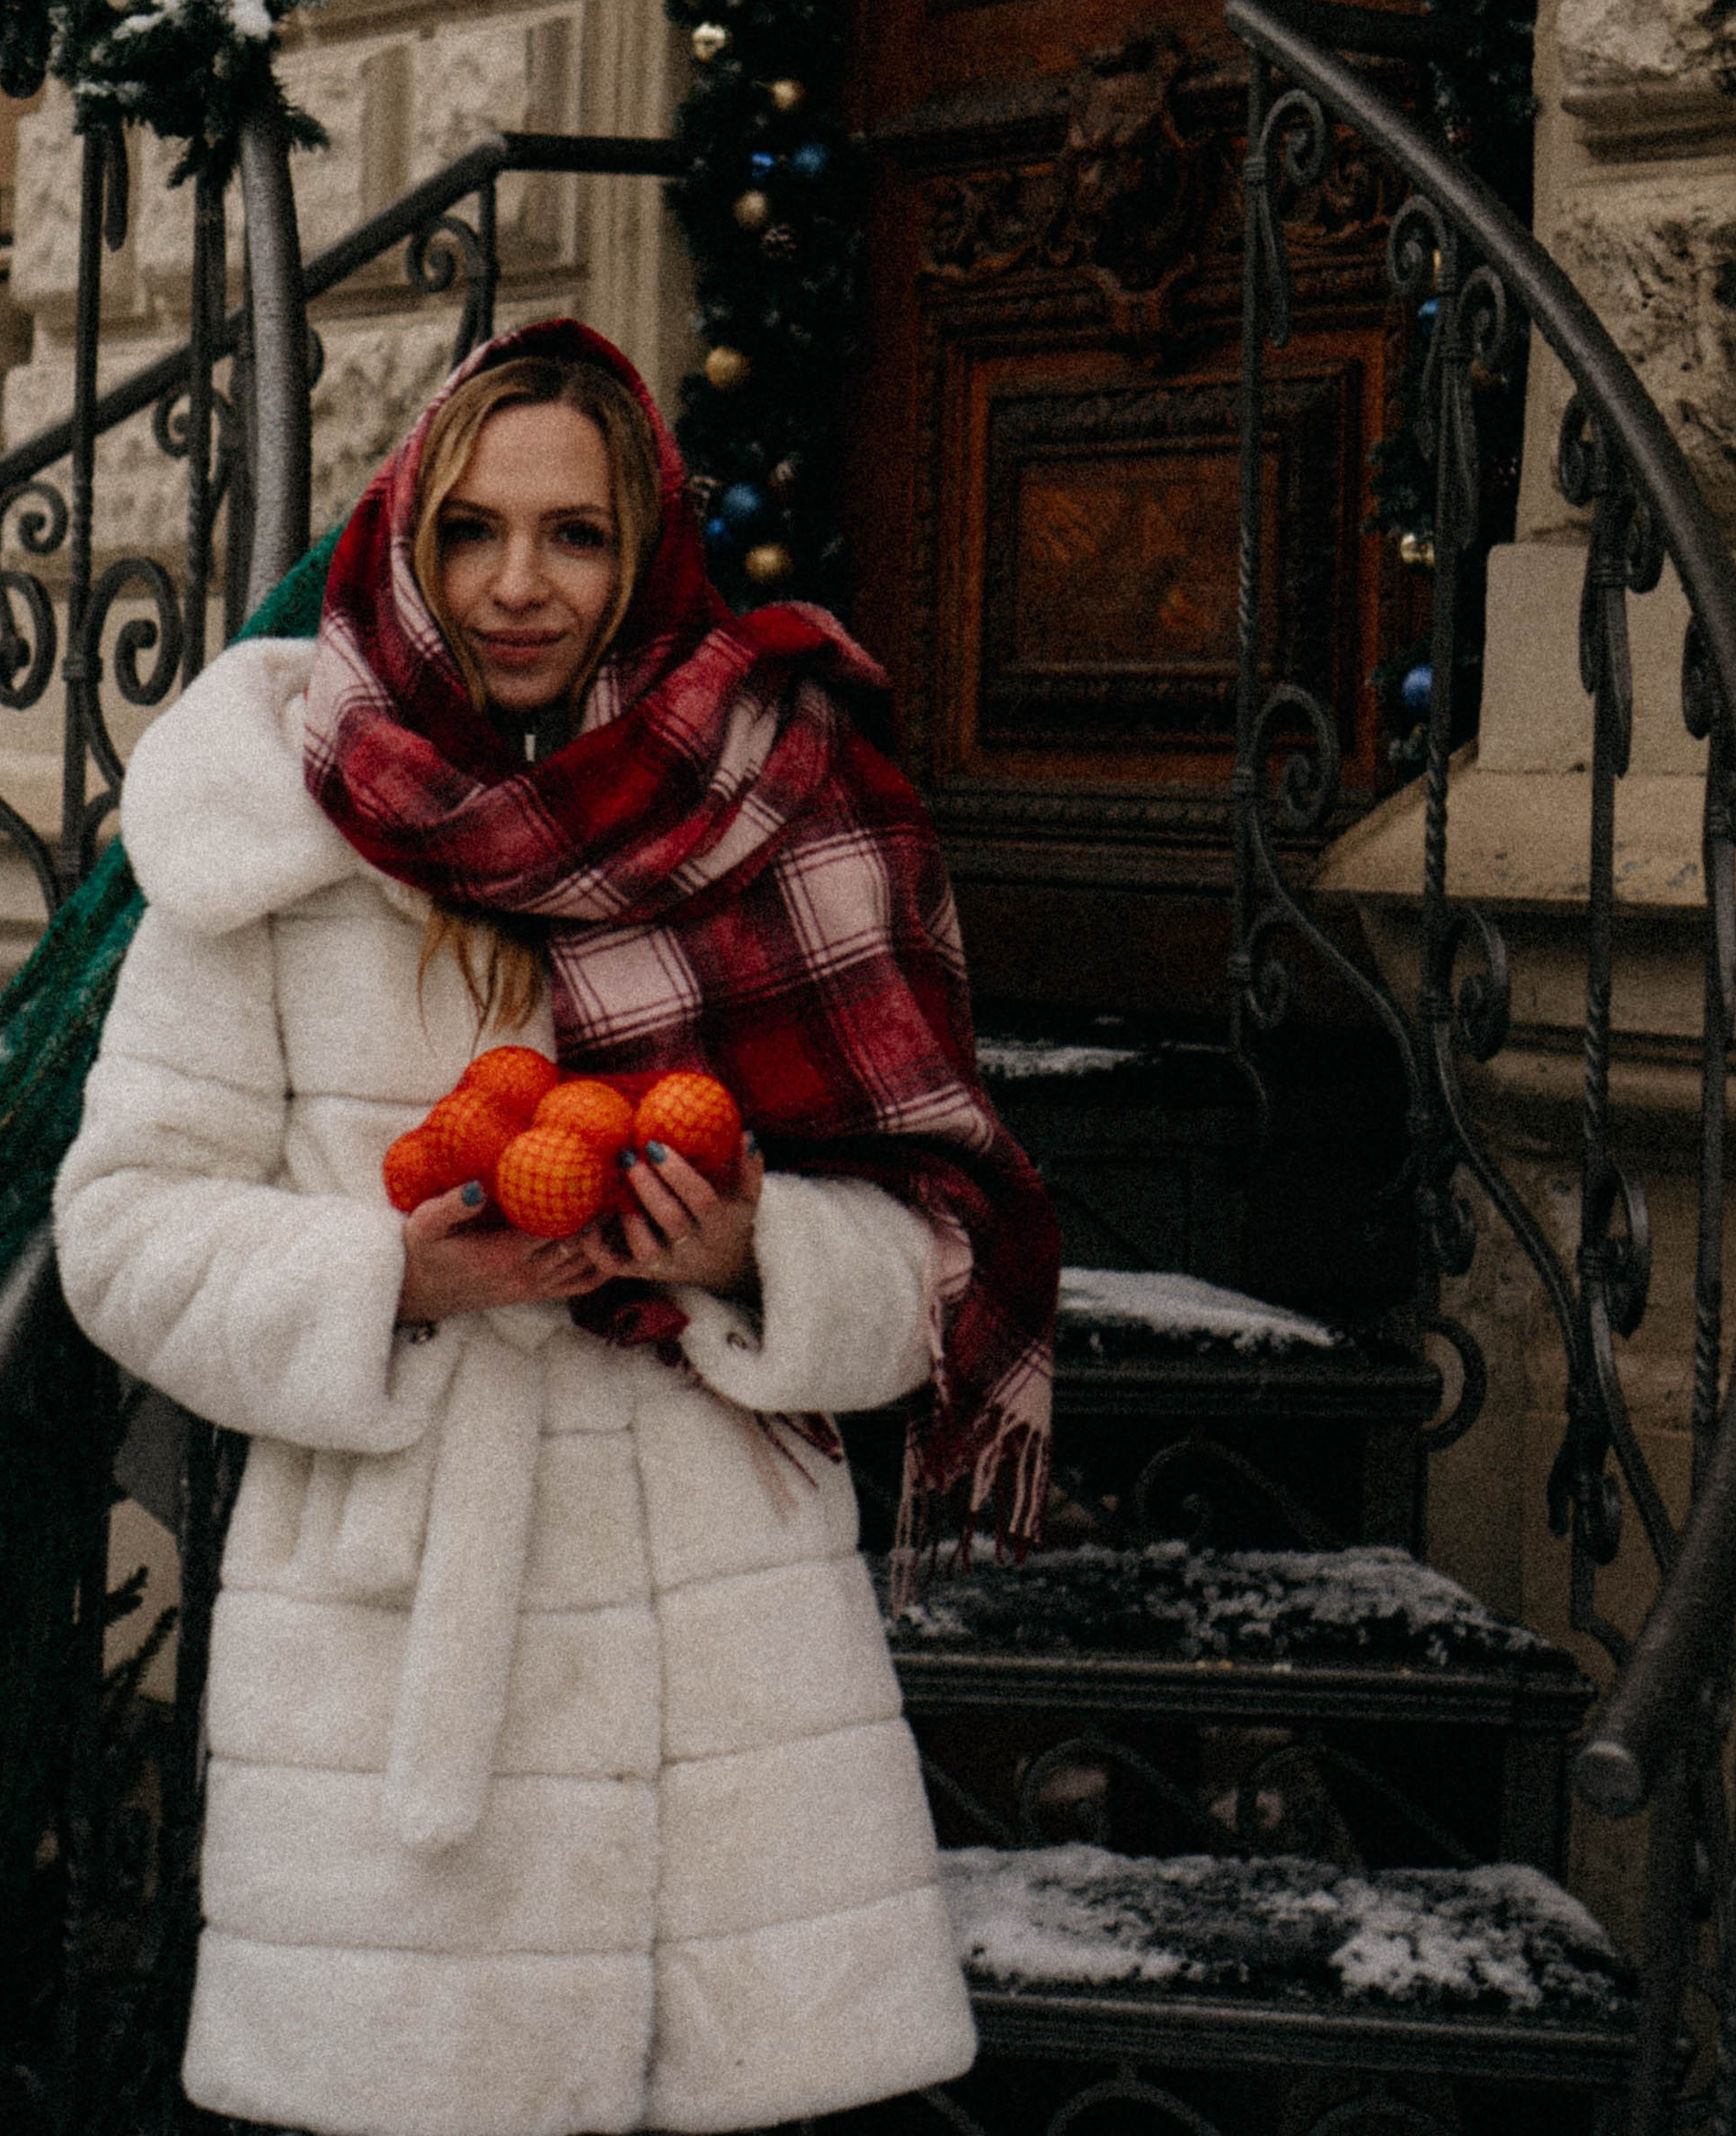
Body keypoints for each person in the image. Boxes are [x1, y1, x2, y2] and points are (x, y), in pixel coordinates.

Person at [54, 319, 1057, 2136]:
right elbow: (121, 1230)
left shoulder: (781, 804)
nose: (519, 585)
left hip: (723, 1670)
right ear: (403, 544)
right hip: (404, 1642)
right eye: (472, 533)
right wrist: (386, 1278)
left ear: (646, 549)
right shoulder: (270, 844)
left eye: (575, 535)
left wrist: (749, 1256)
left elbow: (934, 1244)